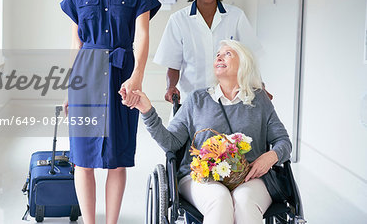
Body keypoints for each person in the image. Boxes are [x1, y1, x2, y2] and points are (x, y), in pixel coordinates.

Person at [123, 40, 291, 224]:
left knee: (244, 201)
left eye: (228, 53)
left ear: (244, 62)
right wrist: (147, 111)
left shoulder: (259, 100)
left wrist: (271, 156)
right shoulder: (197, 99)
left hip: (250, 177)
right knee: (219, 199)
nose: (219, 56)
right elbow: (170, 143)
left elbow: (283, 141)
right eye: (217, 54)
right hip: (201, 177)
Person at [59, 0, 161, 223]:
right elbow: (76, 43)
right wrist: (69, 89)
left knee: (117, 159)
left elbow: (142, 36)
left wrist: (137, 77)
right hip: (86, 77)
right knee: (83, 159)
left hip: (122, 75)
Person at [153, 0, 264, 105]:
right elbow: (173, 65)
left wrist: (260, 86)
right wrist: (171, 87)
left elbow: (250, 58)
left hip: (228, 100)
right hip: (191, 101)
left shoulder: (236, 16)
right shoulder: (178, 20)